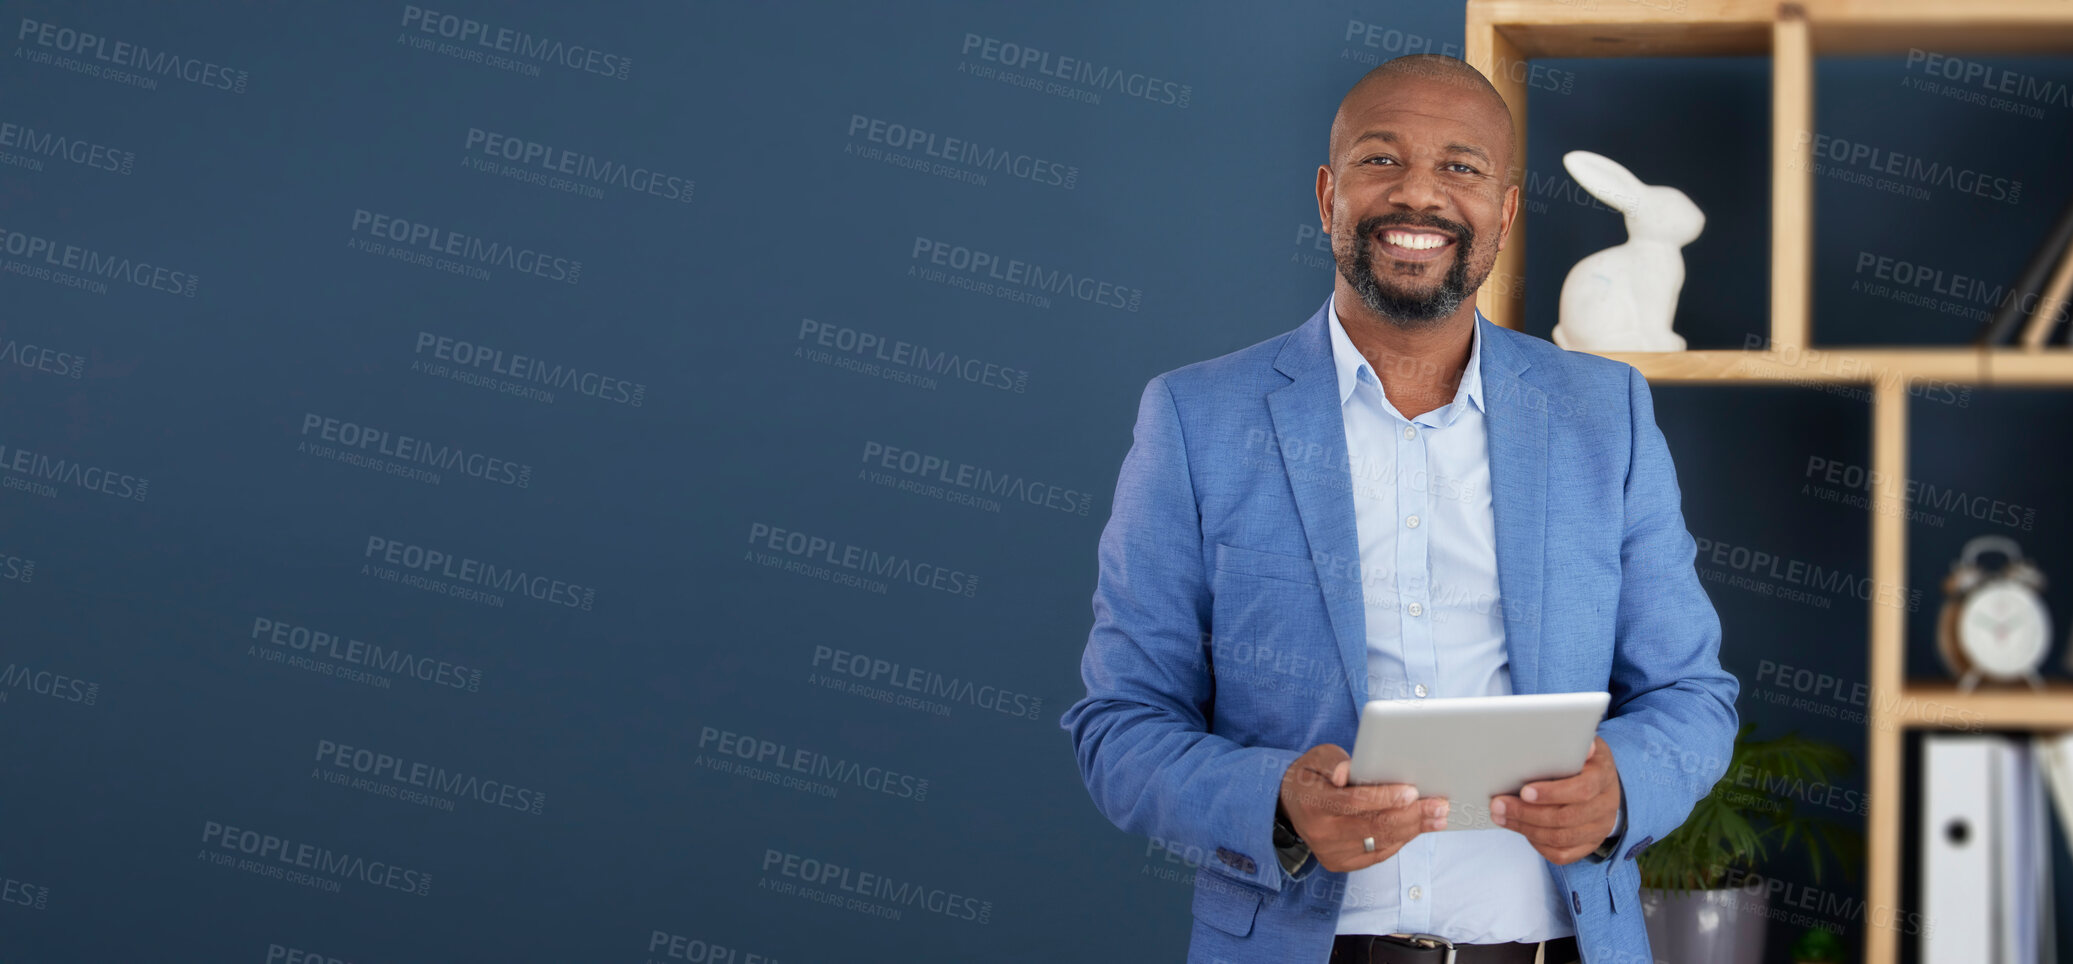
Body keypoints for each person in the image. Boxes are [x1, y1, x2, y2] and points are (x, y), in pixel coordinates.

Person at [1060, 54, 1738, 964]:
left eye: (1459, 167)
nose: (1417, 195)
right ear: (1326, 194)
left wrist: (1624, 787)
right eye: (1380, 160)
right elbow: (1120, 725)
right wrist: (1275, 804)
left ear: (1502, 211)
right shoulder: (1196, 419)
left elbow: (1692, 696)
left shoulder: (1603, 414)